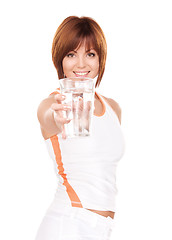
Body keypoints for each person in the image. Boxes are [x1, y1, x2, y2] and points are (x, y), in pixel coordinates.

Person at [35, 16, 125, 240]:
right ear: (60, 60)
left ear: (100, 59)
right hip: (68, 223)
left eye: (90, 54)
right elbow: (48, 118)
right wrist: (56, 118)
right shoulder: (53, 104)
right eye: (71, 54)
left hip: (101, 229)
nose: (82, 64)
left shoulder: (112, 108)